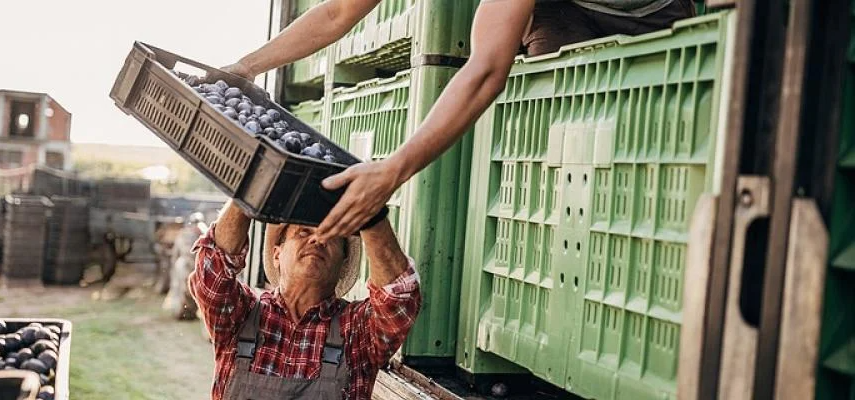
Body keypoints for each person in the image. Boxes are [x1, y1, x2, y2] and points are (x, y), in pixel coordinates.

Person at [220, 0, 695, 241]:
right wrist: (244, 68)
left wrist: (395, 168)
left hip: (653, 11)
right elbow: (337, 12)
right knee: (567, 129)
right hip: (561, 11)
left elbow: (487, 67)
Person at [188, 201, 420, 399]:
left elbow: (399, 296)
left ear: (342, 263)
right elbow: (212, 271)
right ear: (277, 254)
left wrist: (371, 212)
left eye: (330, 235)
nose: (317, 240)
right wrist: (251, 192)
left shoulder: (358, 330)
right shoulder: (243, 314)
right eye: (304, 232)